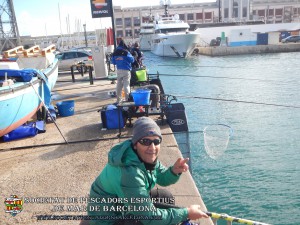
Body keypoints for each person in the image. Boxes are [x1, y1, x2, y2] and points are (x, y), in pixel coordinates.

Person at [88, 117, 209, 225]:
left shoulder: (145, 158)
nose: (152, 147)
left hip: (124, 202)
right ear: (135, 144)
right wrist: (186, 213)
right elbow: (149, 218)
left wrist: (173, 171)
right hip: (109, 218)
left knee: (165, 197)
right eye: (145, 141)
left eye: (156, 141)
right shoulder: (130, 173)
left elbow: (161, 177)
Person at [111, 39, 134, 104]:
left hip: (118, 70)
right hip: (126, 70)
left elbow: (113, 62)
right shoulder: (126, 52)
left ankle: (118, 100)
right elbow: (132, 60)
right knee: (126, 85)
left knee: (119, 85)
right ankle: (127, 99)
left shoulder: (115, 52)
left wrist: (118, 60)